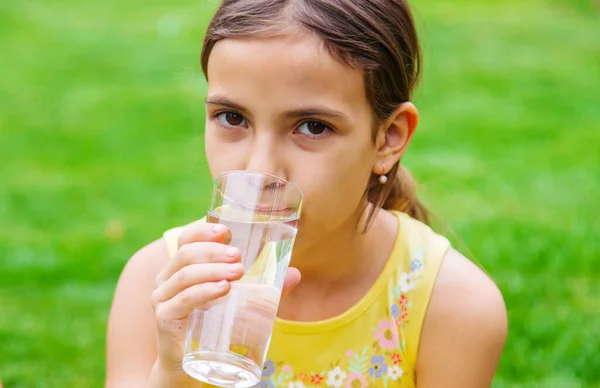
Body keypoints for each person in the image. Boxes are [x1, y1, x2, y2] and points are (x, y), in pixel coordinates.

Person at [105, 0, 508, 387]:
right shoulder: (159, 288)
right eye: (232, 118)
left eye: (312, 127)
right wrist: (172, 378)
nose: (259, 170)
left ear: (388, 138)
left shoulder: (451, 307)